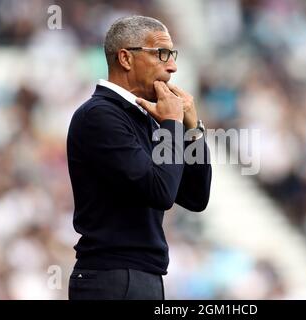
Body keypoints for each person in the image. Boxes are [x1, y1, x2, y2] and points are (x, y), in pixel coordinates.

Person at [66, 15, 212, 300]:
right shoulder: (100, 115)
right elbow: (160, 192)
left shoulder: (145, 117)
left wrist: (192, 131)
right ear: (126, 58)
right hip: (113, 278)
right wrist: (172, 123)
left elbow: (195, 197)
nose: (173, 66)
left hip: (139, 277)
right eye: (162, 54)